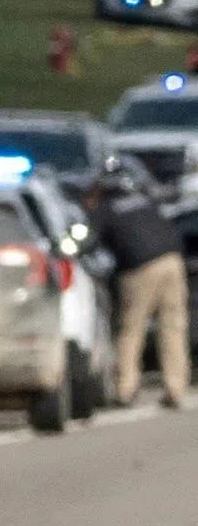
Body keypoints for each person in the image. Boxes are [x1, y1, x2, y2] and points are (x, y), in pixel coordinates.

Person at [88, 160, 187, 409]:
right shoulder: (144, 200)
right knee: (173, 327)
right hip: (172, 262)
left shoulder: (106, 209)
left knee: (131, 330)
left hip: (140, 270)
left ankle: (125, 389)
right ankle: (175, 388)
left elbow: (89, 241)